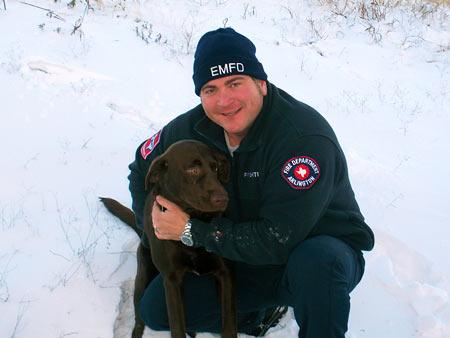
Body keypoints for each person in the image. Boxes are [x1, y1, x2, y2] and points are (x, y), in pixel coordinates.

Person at [128, 27, 375, 338]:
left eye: (235, 83)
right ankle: (252, 317)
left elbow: (278, 238)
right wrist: (154, 230)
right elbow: (140, 170)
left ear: (261, 83)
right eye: (210, 89)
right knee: (156, 310)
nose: (224, 101)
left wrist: (191, 230)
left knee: (317, 264)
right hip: (240, 251)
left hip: (309, 251)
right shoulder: (189, 129)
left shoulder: (302, 139)